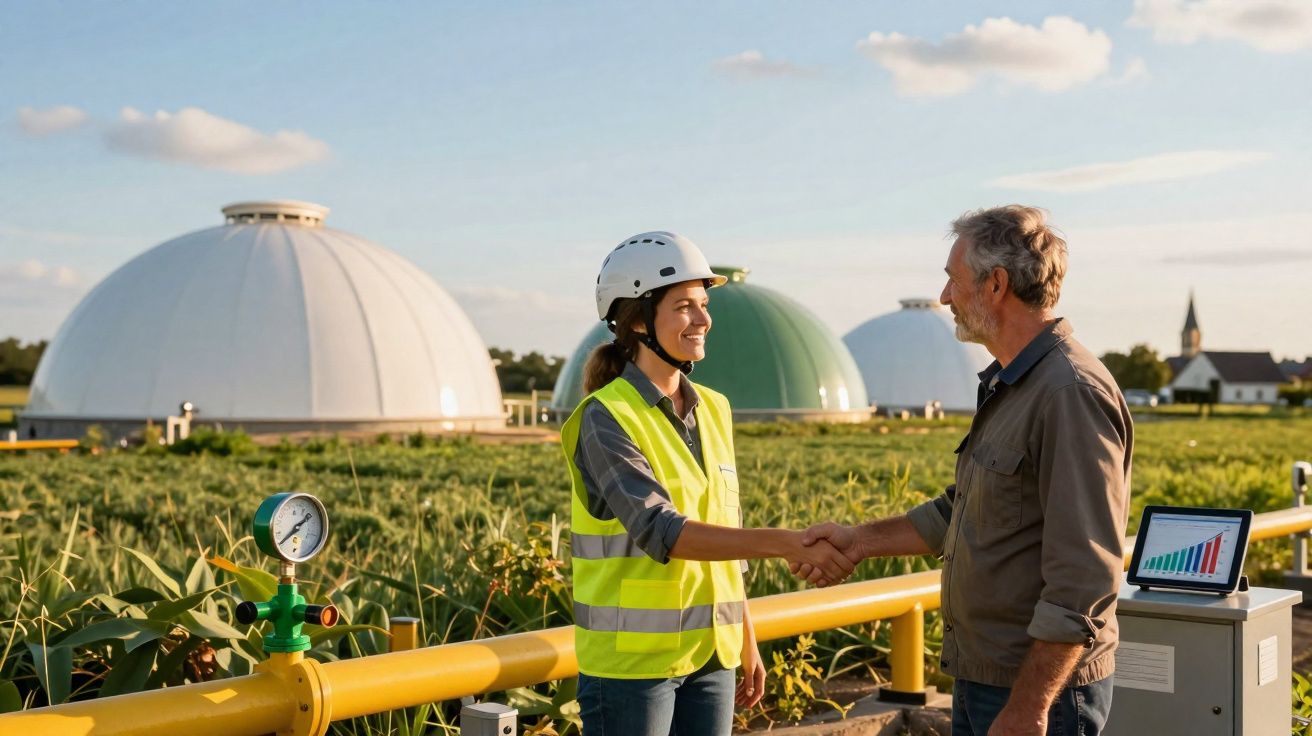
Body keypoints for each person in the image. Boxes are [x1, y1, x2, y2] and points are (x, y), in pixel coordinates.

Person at [795, 206, 1132, 736]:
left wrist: (1029, 707)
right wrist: (858, 541)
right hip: (988, 679)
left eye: (953, 279)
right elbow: (962, 510)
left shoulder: (1068, 393)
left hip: (1038, 692)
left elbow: (1085, 575)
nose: (946, 296)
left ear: (995, 284)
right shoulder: (1013, 383)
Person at [562, 231, 855, 736]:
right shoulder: (605, 418)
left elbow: (724, 530)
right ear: (637, 320)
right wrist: (785, 543)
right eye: (683, 307)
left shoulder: (713, 409)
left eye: (703, 304)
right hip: (633, 670)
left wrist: (746, 636)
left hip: (711, 659)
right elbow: (662, 531)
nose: (704, 319)